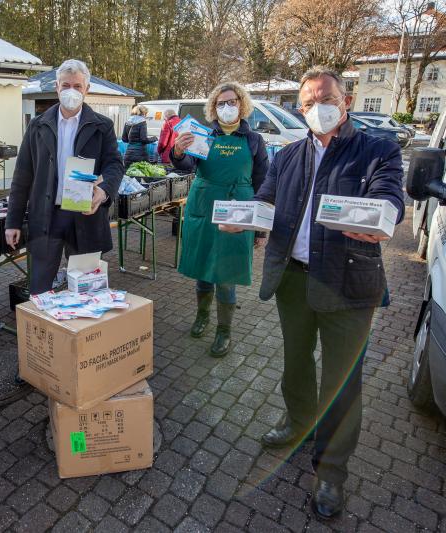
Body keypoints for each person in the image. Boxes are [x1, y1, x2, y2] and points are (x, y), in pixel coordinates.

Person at [222, 67, 404, 519]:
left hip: (349, 283)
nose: (316, 107)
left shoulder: (376, 149)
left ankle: (330, 472)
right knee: (296, 361)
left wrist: (382, 215)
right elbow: (265, 200)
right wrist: (244, 219)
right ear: (299, 109)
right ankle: (298, 422)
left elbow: (390, 199)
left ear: (345, 101)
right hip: (294, 278)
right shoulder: (289, 155)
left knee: (342, 383)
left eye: (325, 98)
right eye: (307, 102)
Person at [5, 59, 123, 295]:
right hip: (47, 216)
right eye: (66, 85)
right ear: (57, 87)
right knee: (40, 287)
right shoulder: (38, 126)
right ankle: (42, 328)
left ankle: (83, 332)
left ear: (87, 89)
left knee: (86, 289)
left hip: (85, 215)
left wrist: (104, 190)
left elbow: (115, 165)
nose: (71, 91)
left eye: (77, 86)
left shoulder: (102, 126)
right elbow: (22, 175)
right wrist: (13, 221)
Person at [170, 82, 268, 357]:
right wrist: (178, 152)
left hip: (238, 210)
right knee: (203, 271)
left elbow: (263, 182)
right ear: (214, 108)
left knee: (226, 276)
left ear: (242, 104)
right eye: (221, 103)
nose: (227, 107)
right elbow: (186, 166)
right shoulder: (204, 135)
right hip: (203, 206)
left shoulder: (253, 140)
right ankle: (202, 316)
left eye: (232, 101)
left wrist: (260, 227)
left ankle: (224, 331)